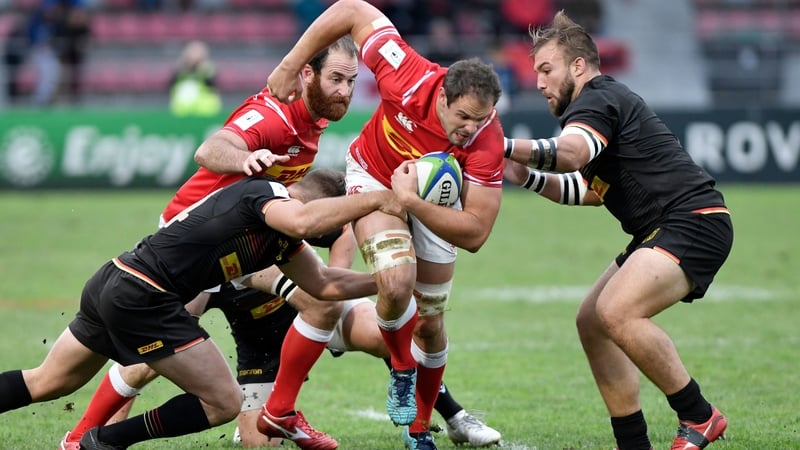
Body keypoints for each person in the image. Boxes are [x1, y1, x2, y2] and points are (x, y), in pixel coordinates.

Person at [59, 35, 501, 450]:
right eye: (336, 79)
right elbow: (210, 151)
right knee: (150, 352)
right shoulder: (276, 114)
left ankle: (297, 411)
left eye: (352, 80)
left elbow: (329, 228)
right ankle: (84, 436)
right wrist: (246, 158)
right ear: (307, 75)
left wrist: (385, 278)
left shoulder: (316, 122)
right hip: (194, 245)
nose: (347, 90)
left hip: (246, 248)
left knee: (330, 321)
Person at [0, 170, 404, 449]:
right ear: (320, 207)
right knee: (224, 402)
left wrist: (387, 279)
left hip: (115, 281)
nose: (325, 235)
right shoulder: (265, 194)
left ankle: (99, 440)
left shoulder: (284, 238)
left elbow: (326, 283)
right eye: (330, 225)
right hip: (145, 294)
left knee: (48, 382)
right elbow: (301, 222)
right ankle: (104, 441)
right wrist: (375, 197)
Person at [264, 1, 506, 448]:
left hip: (435, 201)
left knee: (430, 324)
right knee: (394, 284)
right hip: (374, 176)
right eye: (463, 118)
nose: (471, 129)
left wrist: (413, 200)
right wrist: (290, 63)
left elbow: (476, 233)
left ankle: (420, 431)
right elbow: (352, 9)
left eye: (482, 119)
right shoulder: (409, 75)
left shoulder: (488, 138)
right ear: (442, 98)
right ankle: (400, 369)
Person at [502, 10, 732, 450]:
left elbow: (569, 154)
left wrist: (504, 144)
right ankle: (633, 444)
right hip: (664, 227)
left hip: (692, 220)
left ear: (578, 66)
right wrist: (525, 176)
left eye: (546, 70)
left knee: (617, 311)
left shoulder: (596, 98)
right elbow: (587, 190)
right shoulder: (594, 110)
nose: (538, 82)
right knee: (592, 320)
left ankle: (698, 415)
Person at [169, 40, 222, 117]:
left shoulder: (208, 70)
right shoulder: (179, 70)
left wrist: (203, 71)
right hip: (182, 111)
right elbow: (170, 85)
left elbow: (212, 86)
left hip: (205, 111)